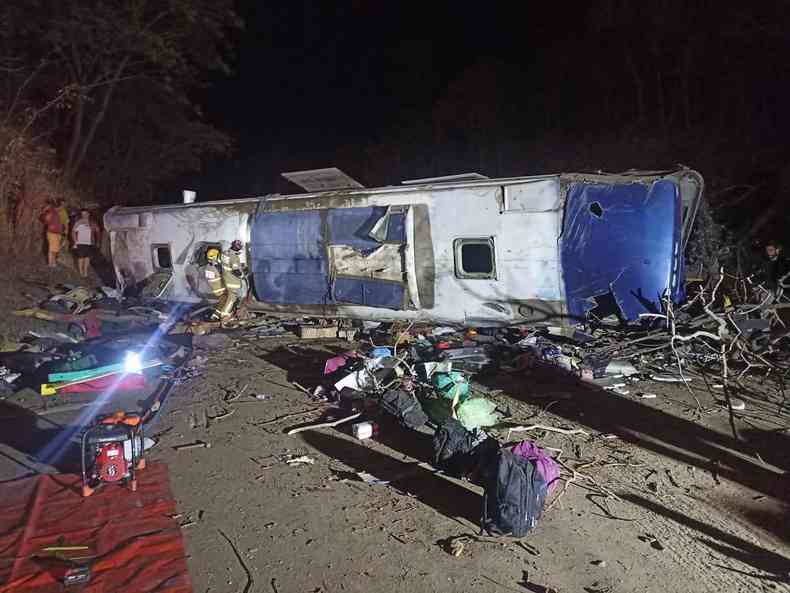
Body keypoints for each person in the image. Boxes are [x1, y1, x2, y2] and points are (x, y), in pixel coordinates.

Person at [71, 209, 99, 278]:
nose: (84, 215)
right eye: (83, 214)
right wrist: (75, 242)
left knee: (87, 258)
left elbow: (97, 230)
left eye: (85, 214)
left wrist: (97, 241)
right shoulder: (78, 222)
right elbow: (73, 232)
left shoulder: (91, 222)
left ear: (88, 214)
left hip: (89, 243)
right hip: (80, 242)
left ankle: (85, 271)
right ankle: (81, 272)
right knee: (81, 257)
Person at [42, 200, 65, 268]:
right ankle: (51, 263)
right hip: (52, 232)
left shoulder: (56, 212)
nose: (62, 207)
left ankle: (53, 262)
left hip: (58, 233)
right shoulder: (50, 212)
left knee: (55, 248)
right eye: (61, 205)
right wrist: (49, 224)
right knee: (52, 248)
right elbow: (45, 220)